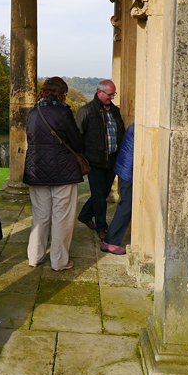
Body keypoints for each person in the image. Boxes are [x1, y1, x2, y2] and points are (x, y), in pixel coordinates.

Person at [23, 77, 83, 271]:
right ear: (61, 93)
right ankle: (59, 261)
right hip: (62, 171)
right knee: (62, 217)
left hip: (36, 170)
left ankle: (35, 256)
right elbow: (76, 142)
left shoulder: (33, 112)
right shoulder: (63, 113)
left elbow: (31, 140)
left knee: (40, 216)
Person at [75, 79, 126, 240]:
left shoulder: (115, 111)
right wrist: (84, 157)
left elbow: (121, 133)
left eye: (113, 94)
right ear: (99, 92)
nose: (111, 97)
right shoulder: (86, 111)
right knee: (99, 197)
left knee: (102, 194)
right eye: (109, 94)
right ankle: (101, 228)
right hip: (94, 161)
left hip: (112, 160)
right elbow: (78, 137)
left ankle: (84, 215)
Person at [102, 122, 135, 255]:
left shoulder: (136, 124)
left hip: (126, 168)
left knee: (126, 205)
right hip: (128, 170)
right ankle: (110, 241)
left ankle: (110, 240)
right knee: (126, 205)